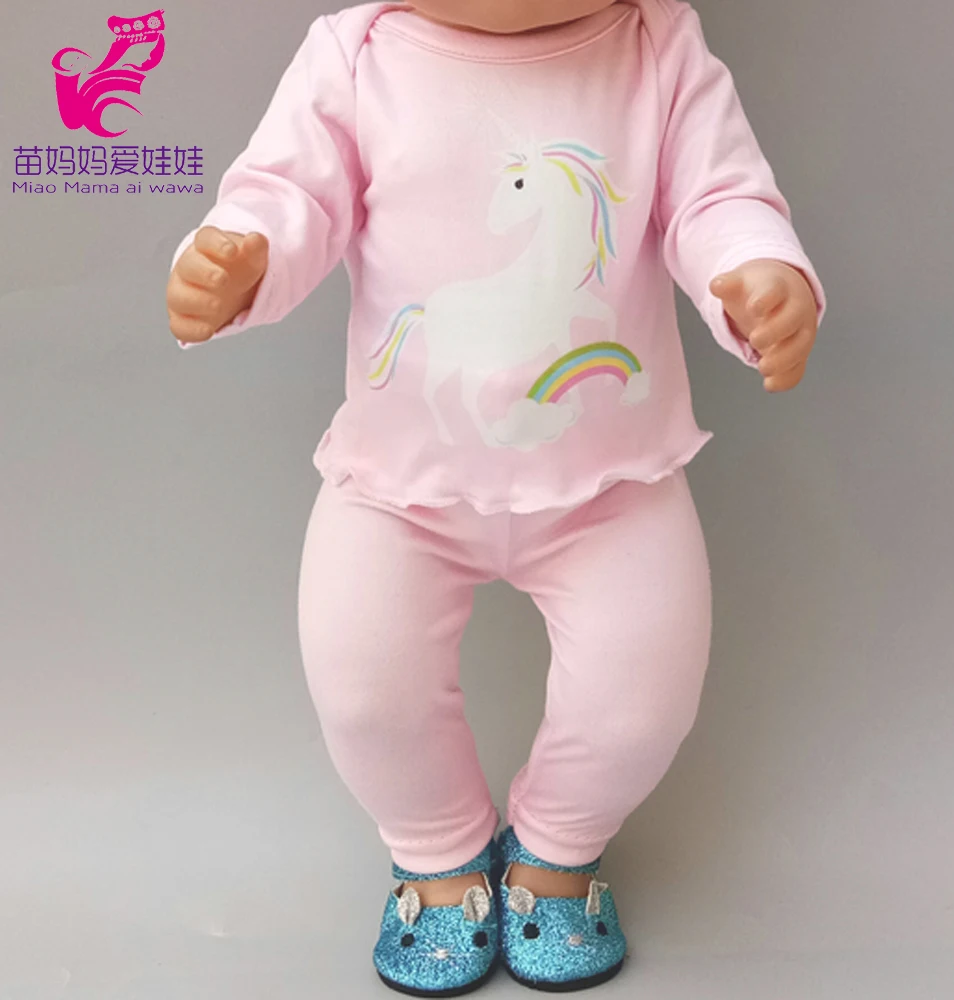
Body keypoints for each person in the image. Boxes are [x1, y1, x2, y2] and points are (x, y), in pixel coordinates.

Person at [165, 0, 824, 993]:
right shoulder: (358, 54)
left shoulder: (655, 47)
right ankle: (436, 856)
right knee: (363, 685)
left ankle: (558, 848)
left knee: (642, 702)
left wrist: (755, 267)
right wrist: (243, 250)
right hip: (400, 487)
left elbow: (716, 192)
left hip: (612, 486)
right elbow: (290, 189)